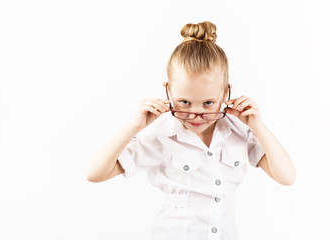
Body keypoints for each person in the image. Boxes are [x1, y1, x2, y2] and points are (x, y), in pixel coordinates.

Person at [86, 21, 297, 240]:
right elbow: (94, 173)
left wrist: (258, 126)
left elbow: (287, 177)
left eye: (208, 103)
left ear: (226, 93)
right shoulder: (162, 133)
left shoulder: (239, 132)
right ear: (168, 90)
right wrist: (135, 126)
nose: (196, 114)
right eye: (185, 102)